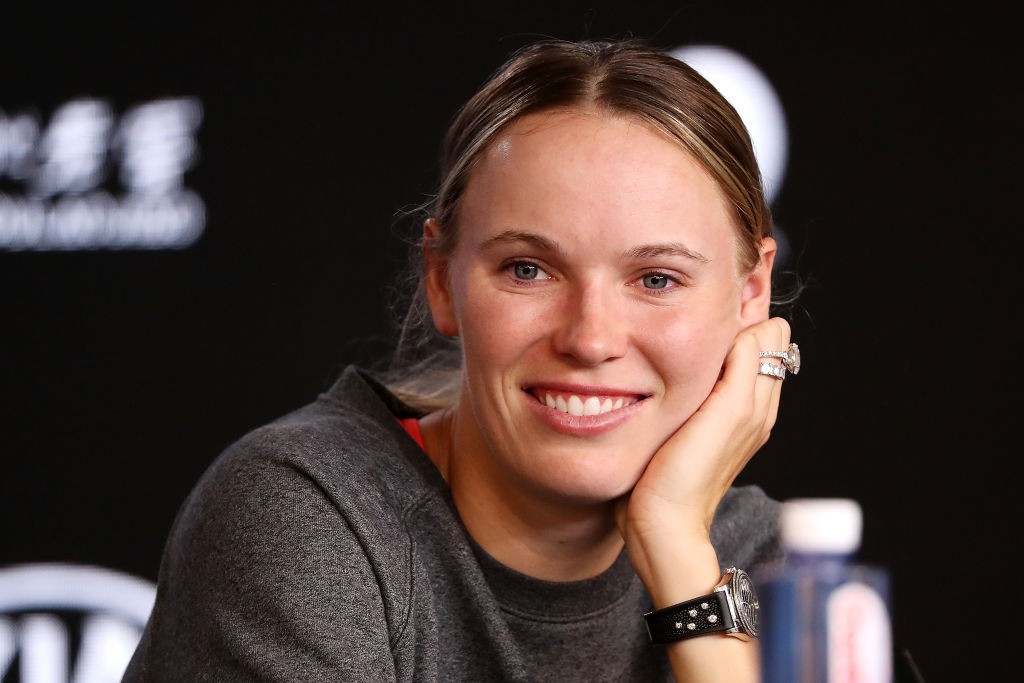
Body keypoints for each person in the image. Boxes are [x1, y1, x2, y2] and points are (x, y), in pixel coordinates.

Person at [124, 38, 797, 682]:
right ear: (442, 281)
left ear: (751, 293)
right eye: (528, 269)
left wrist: (675, 543)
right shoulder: (310, 514)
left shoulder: (768, 559)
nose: (591, 338)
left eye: (656, 279)